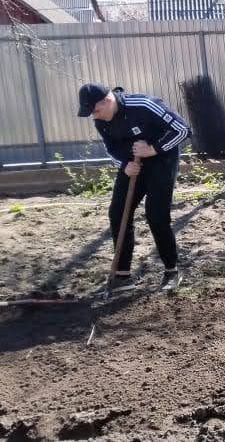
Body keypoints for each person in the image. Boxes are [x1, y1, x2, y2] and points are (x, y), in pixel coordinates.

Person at [77, 83, 190, 293]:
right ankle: (122, 276)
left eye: (96, 110)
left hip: (162, 161)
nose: (95, 116)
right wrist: (124, 165)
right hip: (132, 165)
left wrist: (153, 149)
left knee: (156, 214)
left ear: (107, 101)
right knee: (118, 212)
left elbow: (183, 129)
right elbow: (110, 149)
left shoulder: (144, 105)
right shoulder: (101, 121)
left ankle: (172, 270)